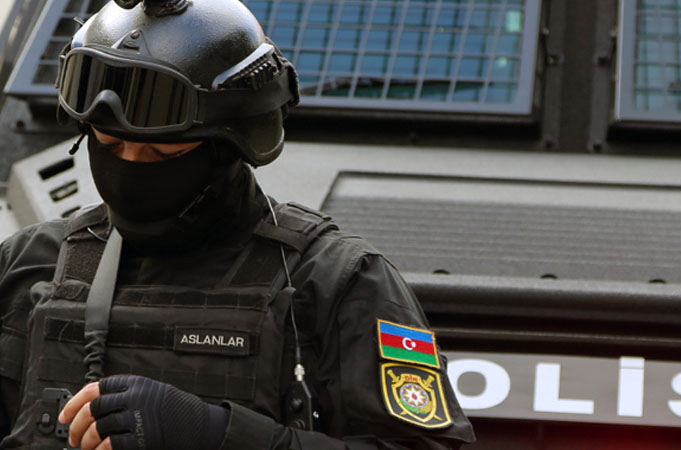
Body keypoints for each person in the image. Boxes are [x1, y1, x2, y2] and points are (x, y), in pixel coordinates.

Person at [0, 0, 476, 448]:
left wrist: (218, 434)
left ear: (231, 146)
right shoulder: (31, 263)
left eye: (163, 153)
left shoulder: (337, 281)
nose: (131, 168)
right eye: (109, 145)